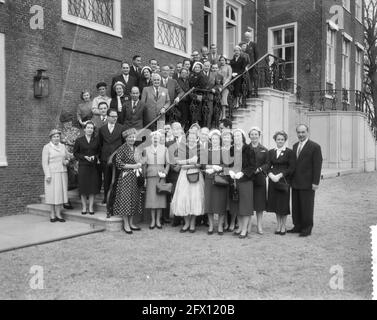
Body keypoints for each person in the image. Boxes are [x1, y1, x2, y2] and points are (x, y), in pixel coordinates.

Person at [290, 124, 323, 237]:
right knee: (296, 206)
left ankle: (307, 228)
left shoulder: (315, 147)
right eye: (299, 132)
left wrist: (315, 182)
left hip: (308, 183)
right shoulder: (294, 146)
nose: (301, 134)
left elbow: (317, 166)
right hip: (295, 182)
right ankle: (297, 226)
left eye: (303, 132)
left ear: (307, 132)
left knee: (307, 206)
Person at [171, 129, 204, 233]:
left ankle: (193, 223)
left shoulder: (200, 147)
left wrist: (188, 164)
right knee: (183, 198)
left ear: (197, 137)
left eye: (194, 136)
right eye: (190, 136)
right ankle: (186, 223)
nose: (192, 138)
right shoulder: (182, 147)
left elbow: (200, 164)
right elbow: (178, 162)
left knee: (195, 198)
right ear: (187, 137)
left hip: (196, 175)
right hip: (184, 176)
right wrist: (191, 161)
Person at [113, 128, 143, 233]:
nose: (132, 139)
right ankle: (126, 224)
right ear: (126, 138)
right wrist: (133, 165)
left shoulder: (137, 148)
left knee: (133, 199)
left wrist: (140, 165)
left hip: (135, 177)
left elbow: (140, 161)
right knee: (125, 200)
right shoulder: (122, 149)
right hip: (126, 177)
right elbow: (119, 163)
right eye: (130, 137)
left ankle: (131, 222)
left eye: (133, 137)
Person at [266, 131, 295, 235]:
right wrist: (271, 175)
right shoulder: (271, 152)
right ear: (275, 140)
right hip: (273, 180)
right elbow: (267, 166)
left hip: (283, 180)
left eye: (282, 139)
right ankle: (278, 225)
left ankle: (283, 226)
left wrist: (280, 175)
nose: (280, 141)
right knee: (276, 204)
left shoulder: (289, 152)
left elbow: (291, 168)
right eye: (278, 139)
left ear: (285, 140)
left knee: (283, 204)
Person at [228, 129, 256, 238]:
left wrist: (243, 173)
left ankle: (244, 229)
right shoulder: (231, 149)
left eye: (238, 136)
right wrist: (230, 171)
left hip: (245, 181)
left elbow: (252, 166)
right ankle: (239, 227)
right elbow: (228, 163)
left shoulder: (249, 149)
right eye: (234, 136)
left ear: (243, 137)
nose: (236, 138)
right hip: (234, 180)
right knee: (236, 205)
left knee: (245, 206)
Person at [143, 131, 170, 229]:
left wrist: (165, 173)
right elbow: (144, 165)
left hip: (160, 176)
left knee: (160, 199)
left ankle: (158, 220)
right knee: (151, 199)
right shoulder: (146, 149)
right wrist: (145, 177)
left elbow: (168, 163)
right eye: (154, 137)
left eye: (157, 137)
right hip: (150, 176)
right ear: (151, 139)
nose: (155, 139)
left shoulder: (165, 149)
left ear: (160, 139)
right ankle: (153, 220)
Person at [42, 129, 70, 223]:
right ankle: (52, 214)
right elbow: (44, 163)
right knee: (52, 194)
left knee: (60, 195)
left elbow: (67, 157)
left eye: (58, 136)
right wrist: (47, 175)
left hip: (62, 173)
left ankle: (59, 214)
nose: (56, 138)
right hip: (52, 174)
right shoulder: (47, 147)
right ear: (51, 138)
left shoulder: (63, 146)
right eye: (54, 136)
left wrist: (66, 161)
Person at [73, 121, 101, 215]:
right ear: (84, 129)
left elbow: (99, 152)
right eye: (88, 128)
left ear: (93, 130)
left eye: (91, 128)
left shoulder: (96, 140)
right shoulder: (79, 140)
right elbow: (75, 153)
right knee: (83, 187)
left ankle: (91, 207)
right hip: (83, 166)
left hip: (93, 167)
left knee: (92, 187)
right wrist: (84, 157)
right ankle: (84, 207)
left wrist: (95, 157)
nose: (90, 129)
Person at [204, 129, 229, 235]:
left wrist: (218, 168)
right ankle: (210, 226)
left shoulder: (224, 150)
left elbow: (227, 165)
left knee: (220, 204)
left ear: (220, 140)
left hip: (220, 179)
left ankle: (219, 226)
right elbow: (203, 164)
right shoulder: (207, 150)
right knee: (209, 203)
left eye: (217, 139)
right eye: (213, 139)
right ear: (211, 140)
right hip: (209, 179)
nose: (215, 140)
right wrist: (210, 166)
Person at [98, 108, 124, 204]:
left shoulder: (121, 128)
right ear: (108, 117)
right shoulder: (102, 129)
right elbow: (100, 144)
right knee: (106, 179)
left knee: (117, 178)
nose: (115, 118)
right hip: (105, 158)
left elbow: (124, 143)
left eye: (116, 116)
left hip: (117, 158)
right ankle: (106, 197)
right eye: (112, 116)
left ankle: (115, 198)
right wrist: (101, 157)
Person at [247, 127, 269, 235]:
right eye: (252, 134)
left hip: (260, 178)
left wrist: (260, 169)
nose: (254, 136)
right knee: (249, 202)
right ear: (249, 136)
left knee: (260, 204)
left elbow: (267, 164)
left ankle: (259, 225)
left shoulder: (264, 149)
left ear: (259, 135)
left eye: (256, 134)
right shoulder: (246, 149)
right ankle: (249, 225)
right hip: (248, 178)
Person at [59, 111, 81, 210]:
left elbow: (80, 143)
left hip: (75, 157)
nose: (69, 123)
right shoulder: (59, 132)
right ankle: (65, 200)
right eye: (66, 121)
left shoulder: (76, 131)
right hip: (64, 159)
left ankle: (82, 194)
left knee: (79, 176)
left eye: (70, 121)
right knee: (65, 180)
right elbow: (58, 146)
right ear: (62, 122)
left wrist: (74, 154)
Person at [166, 122, 184, 227]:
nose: (176, 130)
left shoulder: (187, 142)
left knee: (182, 195)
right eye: (174, 129)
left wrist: (180, 166)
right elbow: (168, 157)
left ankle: (183, 216)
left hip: (183, 171)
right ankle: (176, 217)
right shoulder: (169, 143)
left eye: (178, 128)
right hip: (173, 173)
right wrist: (174, 167)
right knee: (174, 195)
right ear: (172, 131)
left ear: (181, 129)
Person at [244, 31, 259, 97]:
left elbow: (256, 54)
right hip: (247, 65)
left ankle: (256, 92)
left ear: (250, 37)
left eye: (248, 37)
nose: (247, 38)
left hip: (253, 65)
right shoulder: (244, 45)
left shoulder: (253, 44)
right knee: (248, 79)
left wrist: (255, 64)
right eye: (246, 37)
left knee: (254, 78)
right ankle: (249, 92)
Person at [218, 55, 233, 120]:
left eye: (223, 60)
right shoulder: (218, 67)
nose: (222, 61)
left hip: (226, 85)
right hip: (219, 85)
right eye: (220, 60)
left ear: (225, 60)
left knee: (224, 99)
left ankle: (224, 115)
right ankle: (220, 114)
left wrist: (225, 84)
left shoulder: (228, 67)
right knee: (219, 99)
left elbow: (229, 77)